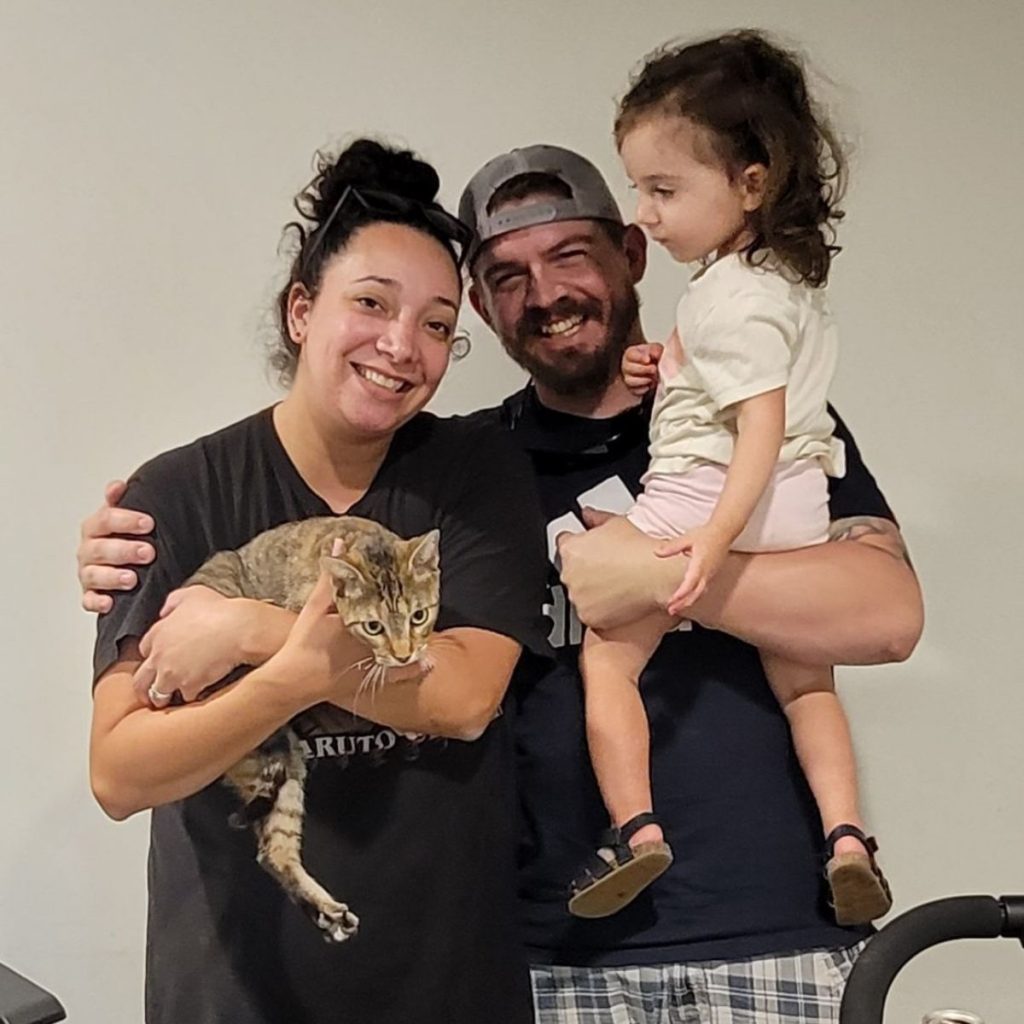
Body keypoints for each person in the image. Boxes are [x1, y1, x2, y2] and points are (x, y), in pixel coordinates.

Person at [80, 143, 924, 1022]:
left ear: (632, 256)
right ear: (483, 306)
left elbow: (889, 617)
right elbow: (123, 760)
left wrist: (649, 576)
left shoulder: (751, 417)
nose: (547, 294)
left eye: (571, 257)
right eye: (508, 277)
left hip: (771, 932)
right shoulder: (483, 462)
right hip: (551, 950)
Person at [85, 137, 549, 1024]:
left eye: (439, 324)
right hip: (234, 992)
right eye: (371, 303)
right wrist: (298, 675)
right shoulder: (175, 495)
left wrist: (252, 634)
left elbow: (462, 698)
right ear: (302, 311)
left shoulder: (476, 472)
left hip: (445, 988)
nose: (401, 345)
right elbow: (121, 770)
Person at [561, 30, 891, 926]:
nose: (647, 213)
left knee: (608, 661)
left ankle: (634, 830)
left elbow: (757, 425)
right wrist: (664, 369)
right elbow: (748, 389)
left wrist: (705, 540)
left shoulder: (721, 296)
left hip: (713, 492)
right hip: (802, 507)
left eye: (663, 190)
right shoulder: (778, 285)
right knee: (808, 684)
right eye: (638, 188)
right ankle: (848, 837)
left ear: (752, 181)